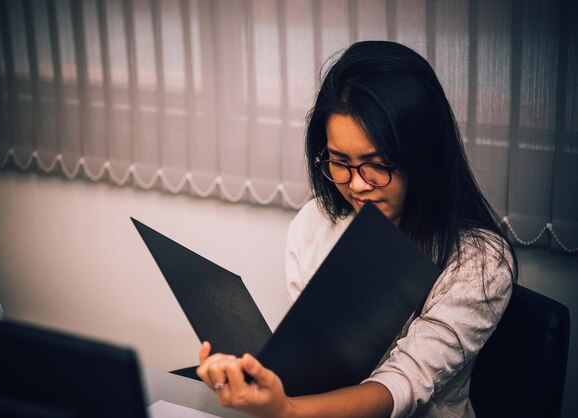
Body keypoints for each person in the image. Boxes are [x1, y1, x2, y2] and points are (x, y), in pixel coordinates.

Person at [196, 41, 518, 418]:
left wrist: (286, 411)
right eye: (339, 162)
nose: (357, 185)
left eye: (375, 164)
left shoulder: (479, 263)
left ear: (422, 155)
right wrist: (256, 381)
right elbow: (313, 364)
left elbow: (404, 383)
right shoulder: (316, 223)